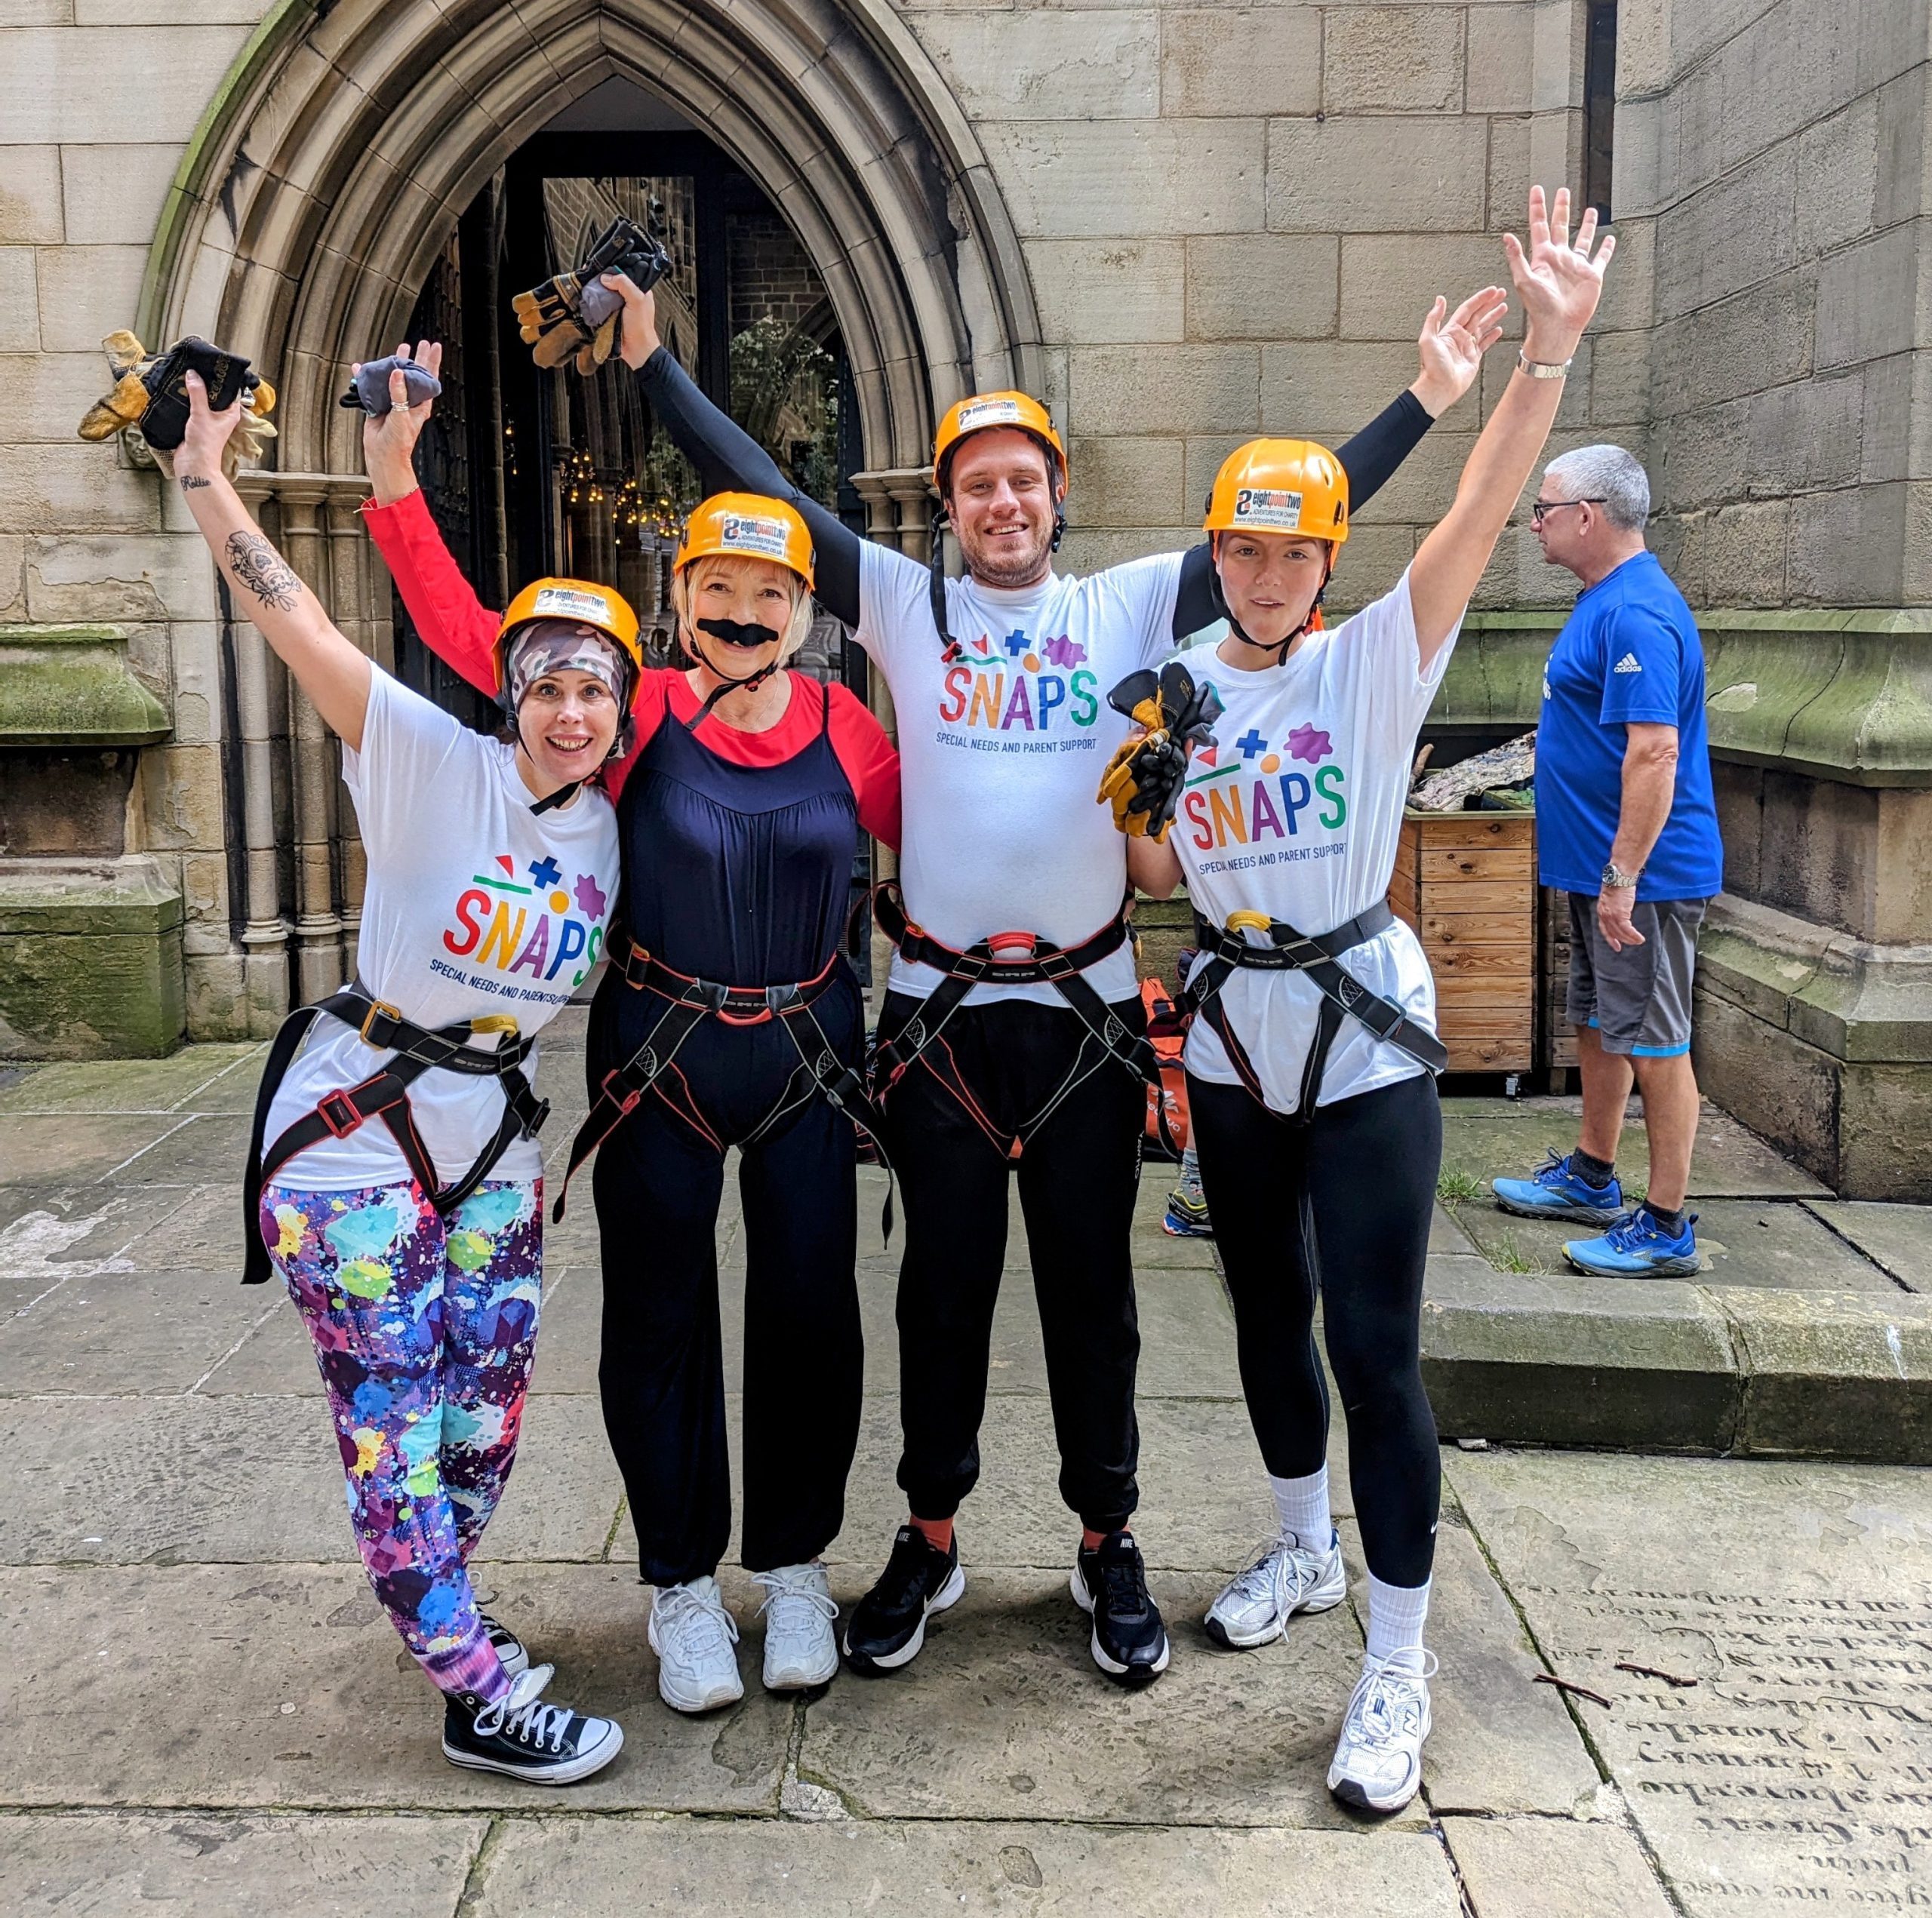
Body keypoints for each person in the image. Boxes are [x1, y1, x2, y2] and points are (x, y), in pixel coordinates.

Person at [602, 268, 1505, 1685]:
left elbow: (1298, 517)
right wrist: (657, 370)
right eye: (977, 486)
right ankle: (932, 1531)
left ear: (1057, 497)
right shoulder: (904, 602)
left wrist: (1430, 402)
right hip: (939, 1020)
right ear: (947, 507)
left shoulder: (1134, 605)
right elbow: (766, 488)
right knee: (939, 1299)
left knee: (1096, 1299)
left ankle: (1107, 1539)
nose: (1002, 504)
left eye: (1023, 481)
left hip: (1085, 1022)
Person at [1126, 186, 1615, 1811]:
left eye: (1291, 547)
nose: (1264, 569)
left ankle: (1393, 1664)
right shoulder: (1179, 689)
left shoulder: (1375, 655)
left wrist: (1542, 352)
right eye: (1241, 546)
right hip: (1231, 1033)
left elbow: (1475, 506)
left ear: (1324, 557)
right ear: (1215, 555)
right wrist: (1139, 793)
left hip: (1362, 1042)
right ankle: (1297, 1550)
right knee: (1259, 1308)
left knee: (1375, 1346)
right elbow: (1142, 852)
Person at [357, 353, 900, 1717]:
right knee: (658, 1319)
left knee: (808, 1314)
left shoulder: (850, 726)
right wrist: (393, 479)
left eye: (770, 593)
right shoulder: (638, 708)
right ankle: (677, 1584)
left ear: (806, 609)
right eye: (717, 590)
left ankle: (788, 1568)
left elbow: (963, 838)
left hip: (810, 1057)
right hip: (659, 1052)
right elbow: (470, 632)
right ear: (681, 599)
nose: (740, 614)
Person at [171, 369, 627, 1784]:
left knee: (478, 1419)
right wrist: (204, 471)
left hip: (492, 1139)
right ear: (512, 693)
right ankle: (476, 1686)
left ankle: (449, 1618)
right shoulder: (433, 758)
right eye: (547, 683)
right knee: (390, 1414)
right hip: (358, 1138)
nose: (569, 710)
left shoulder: (609, 826)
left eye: (594, 688)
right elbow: (288, 614)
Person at [1488, 445, 1721, 1275]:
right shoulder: (1603, 600)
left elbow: (1654, 754)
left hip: (1641, 879)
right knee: (1597, 1020)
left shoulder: (1635, 613)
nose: (1536, 524)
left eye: (1543, 510)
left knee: (1656, 1041)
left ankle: (1664, 1226)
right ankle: (1592, 1174)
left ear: (1586, 515)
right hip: (1596, 873)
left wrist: (1623, 877)